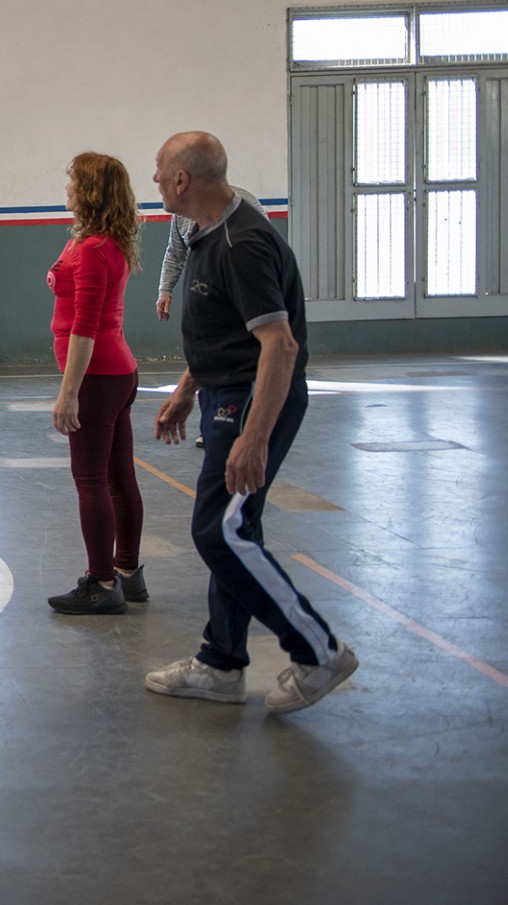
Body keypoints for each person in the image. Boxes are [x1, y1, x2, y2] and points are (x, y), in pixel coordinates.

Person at [144, 131, 358, 713]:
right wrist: (188, 388)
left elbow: (279, 346)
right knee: (235, 531)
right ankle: (221, 663)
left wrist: (255, 437)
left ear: (183, 179)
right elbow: (225, 332)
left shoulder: (243, 242)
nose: (155, 179)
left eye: (160, 169)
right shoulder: (205, 234)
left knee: (220, 532)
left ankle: (318, 652)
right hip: (223, 395)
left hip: (250, 402)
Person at [45, 153, 145, 615]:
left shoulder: (91, 249)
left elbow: (84, 329)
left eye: (72, 182)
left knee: (91, 480)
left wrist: (69, 394)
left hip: (97, 377)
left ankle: (103, 583)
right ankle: (127, 572)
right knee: (119, 475)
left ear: (88, 192)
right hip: (117, 372)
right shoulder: (101, 242)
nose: (66, 188)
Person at [159, 184, 263, 448]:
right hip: (205, 308)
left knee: (239, 369)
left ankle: (252, 429)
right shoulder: (181, 214)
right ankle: (211, 427)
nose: (158, 179)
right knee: (207, 367)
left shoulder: (246, 205)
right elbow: (175, 253)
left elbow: (265, 256)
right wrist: (165, 289)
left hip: (241, 308)